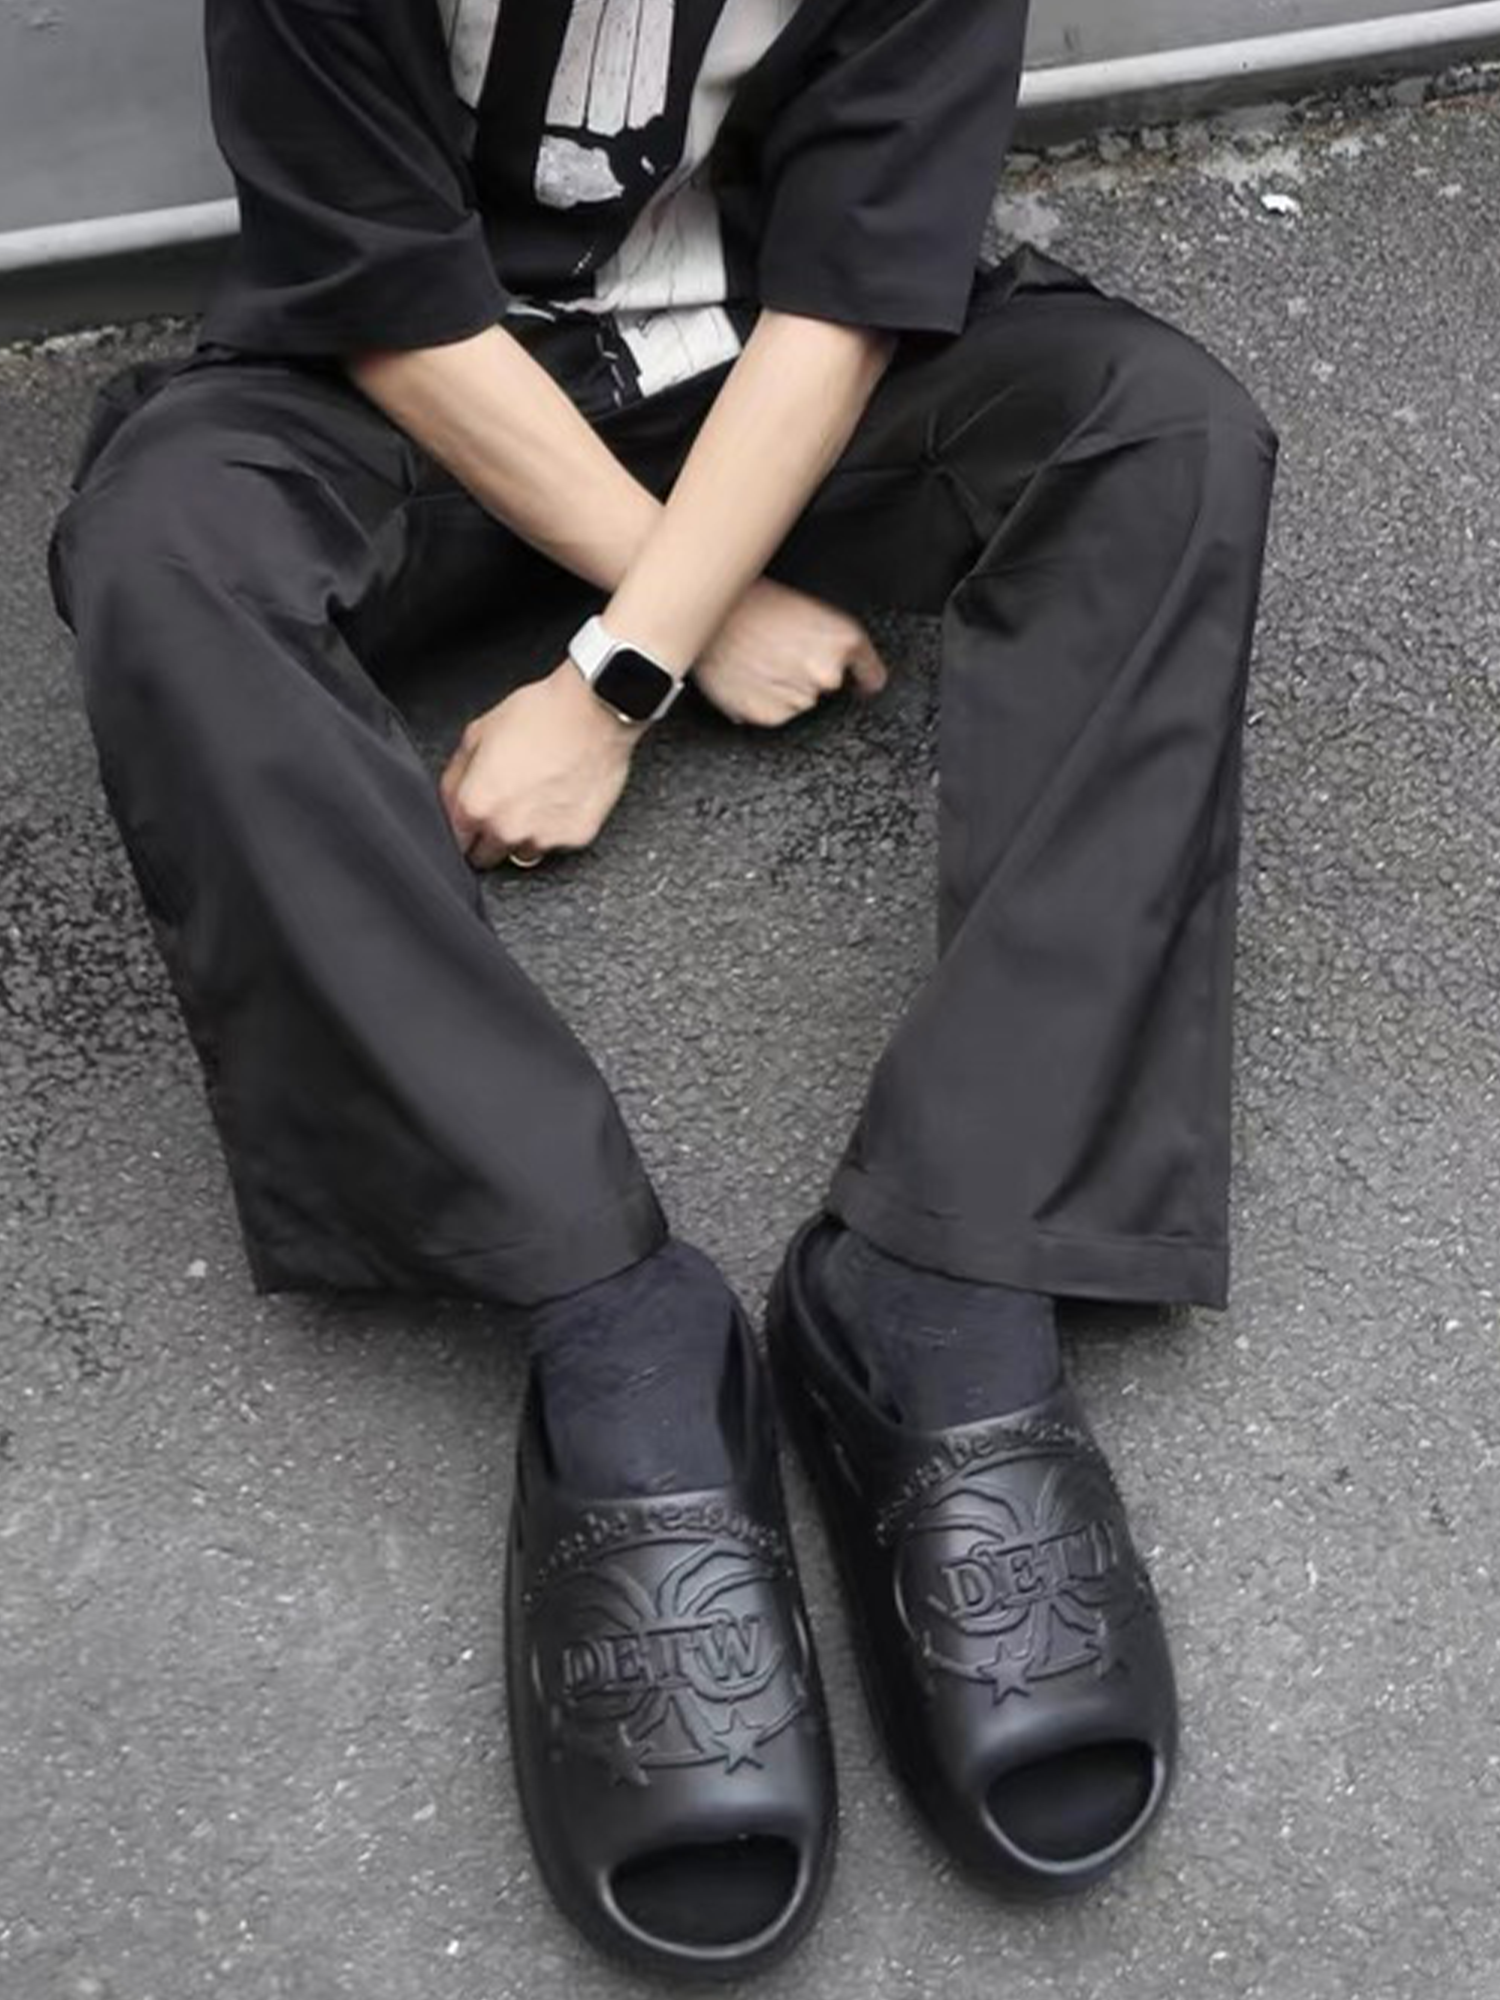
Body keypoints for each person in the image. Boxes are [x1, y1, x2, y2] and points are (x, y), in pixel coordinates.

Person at [45, 0, 1278, 1981]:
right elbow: (386, 298)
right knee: (166, 549)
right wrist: (672, 633)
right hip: (418, 407)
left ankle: (944, 1284)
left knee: (1166, 433)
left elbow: (851, 291)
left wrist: (622, 661)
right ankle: (608, 1329)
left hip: (776, 392)